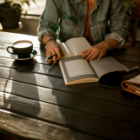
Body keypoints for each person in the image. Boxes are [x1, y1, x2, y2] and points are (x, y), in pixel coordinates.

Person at [38, 0, 129, 64]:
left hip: (101, 57)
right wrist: (50, 43)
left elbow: (120, 30)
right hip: (65, 56)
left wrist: (104, 45)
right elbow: (46, 25)